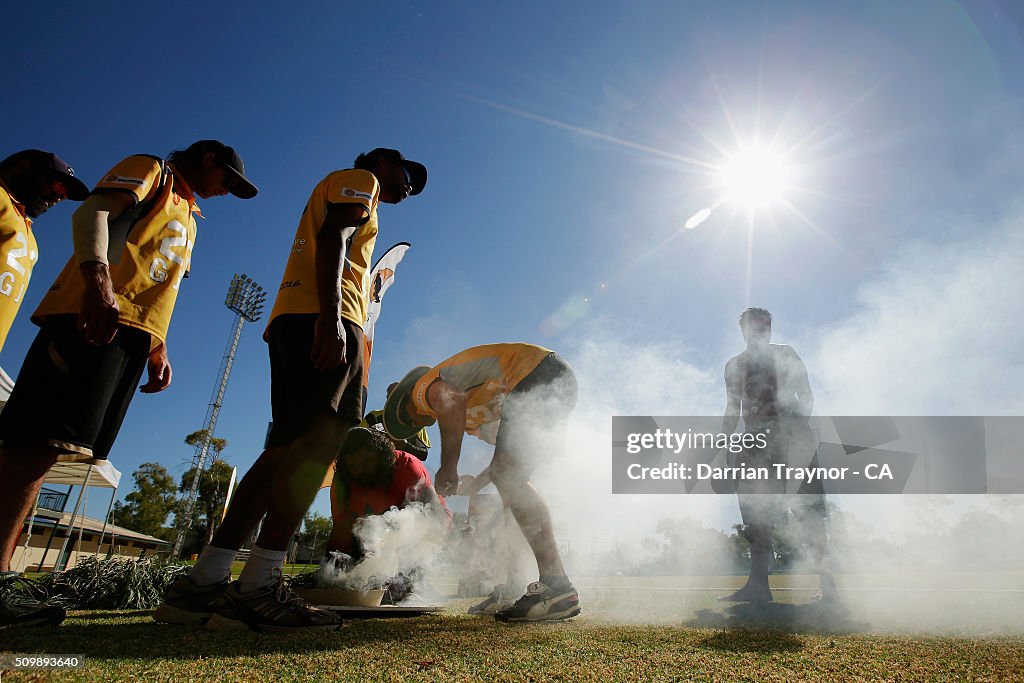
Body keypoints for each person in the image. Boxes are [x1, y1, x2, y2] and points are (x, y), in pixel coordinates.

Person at [157, 148, 426, 632]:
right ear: (383, 161)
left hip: (298, 319)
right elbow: (335, 235)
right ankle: (259, 583)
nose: (408, 186)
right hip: (326, 319)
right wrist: (330, 317)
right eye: (406, 173)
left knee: (283, 449)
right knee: (320, 442)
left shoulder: (347, 187)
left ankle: (205, 582)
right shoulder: (360, 179)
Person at [0, 140, 257, 628]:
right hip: (90, 318)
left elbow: (156, 280)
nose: (227, 191)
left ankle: (3, 578)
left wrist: (157, 345)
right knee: (32, 445)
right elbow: (93, 213)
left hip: (130, 336)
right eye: (229, 180)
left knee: (53, 449)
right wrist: (97, 283)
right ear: (209, 160)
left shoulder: (188, 210)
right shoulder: (152, 171)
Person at [383, 343, 581, 622]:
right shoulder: (475, 416)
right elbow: (504, 466)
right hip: (550, 378)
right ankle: (516, 586)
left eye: (410, 419)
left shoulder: (424, 388)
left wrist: (448, 468)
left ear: (406, 399)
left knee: (510, 480)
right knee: (511, 487)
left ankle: (557, 586)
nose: (418, 423)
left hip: (538, 374)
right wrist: (478, 482)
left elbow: (450, 398)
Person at [716, 307, 835, 603]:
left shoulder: (786, 354)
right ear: (743, 330)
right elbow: (733, 409)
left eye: (766, 325)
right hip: (755, 443)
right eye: (755, 325)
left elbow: (806, 395)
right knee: (756, 514)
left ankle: (829, 586)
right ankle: (758, 585)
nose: (761, 330)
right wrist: (722, 445)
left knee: (811, 512)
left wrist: (794, 430)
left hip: (792, 439)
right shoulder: (734, 366)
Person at [324, 426, 449, 602]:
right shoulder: (342, 481)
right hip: (371, 532)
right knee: (362, 580)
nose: (360, 471)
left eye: (366, 463)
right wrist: (330, 573)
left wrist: (406, 571)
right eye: (354, 466)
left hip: (422, 520)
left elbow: (433, 515)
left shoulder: (406, 465)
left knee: (409, 526)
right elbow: (341, 530)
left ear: (381, 457)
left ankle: (415, 585)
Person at [0, 150, 89, 353]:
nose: (58, 199)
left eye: (64, 195)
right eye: (57, 186)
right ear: (23, 168)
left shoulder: (29, 235)